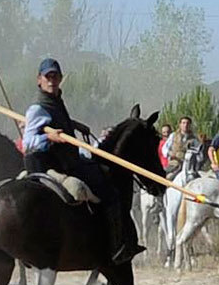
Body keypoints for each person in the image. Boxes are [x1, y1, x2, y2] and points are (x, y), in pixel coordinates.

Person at [22, 57, 137, 263]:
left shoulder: (55, 102)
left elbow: (57, 121)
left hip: (68, 161)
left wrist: (74, 125)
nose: (52, 80)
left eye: (55, 76)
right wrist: (49, 138)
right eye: (48, 77)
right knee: (110, 193)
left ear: (60, 79)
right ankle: (116, 248)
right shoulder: (38, 108)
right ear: (39, 80)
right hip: (58, 165)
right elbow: (28, 143)